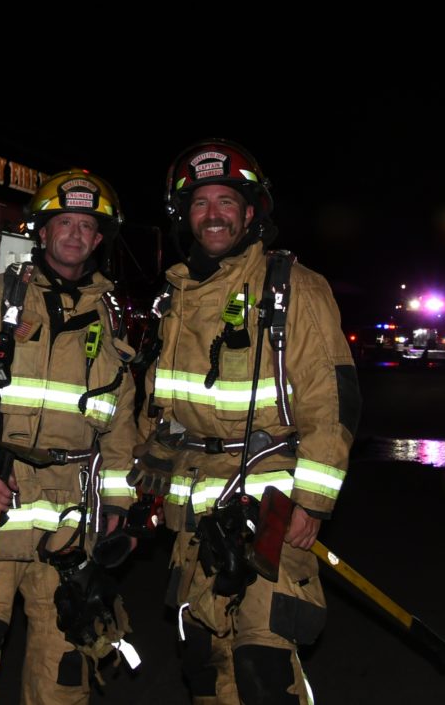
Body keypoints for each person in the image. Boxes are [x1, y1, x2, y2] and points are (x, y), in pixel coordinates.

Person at [132, 140, 361, 704]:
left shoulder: (293, 288)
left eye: (226, 201)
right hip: (194, 514)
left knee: (263, 667)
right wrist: (140, 481)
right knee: (206, 667)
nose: (213, 214)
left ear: (251, 210)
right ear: (185, 216)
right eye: (200, 203)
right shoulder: (174, 297)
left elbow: (331, 402)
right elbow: (157, 406)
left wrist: (312, 501)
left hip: (270, 508)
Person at [0, 169, 138, 705]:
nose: (75, 234)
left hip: (69, 523)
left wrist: (117, 504)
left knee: (64, 666)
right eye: (64, 222)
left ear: (99, 239)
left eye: (87, 226)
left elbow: (120, 425)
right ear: (42, 231)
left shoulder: (112, 320)